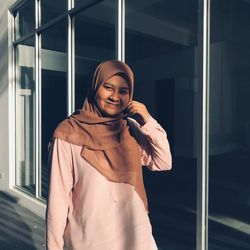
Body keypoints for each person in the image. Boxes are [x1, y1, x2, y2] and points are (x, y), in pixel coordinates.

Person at [46, 60, 172, 250]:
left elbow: (163, 162)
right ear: (96, 87)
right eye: (108, 88)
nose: (115, 97)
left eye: (123, 91)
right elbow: (57, 200)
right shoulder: (67, 133)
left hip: (137, 239)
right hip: (91, 242)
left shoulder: (131, 128)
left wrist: (147, 119)